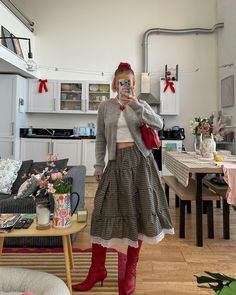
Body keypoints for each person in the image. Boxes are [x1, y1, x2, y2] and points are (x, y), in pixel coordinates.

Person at [72, 62, 174, 295]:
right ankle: (97, 269)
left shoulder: (140, 105)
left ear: (133, 85)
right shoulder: (105, 107)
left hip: (140, 164)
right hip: (115, 164)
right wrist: (98, 165)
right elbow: (100, 139)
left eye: (128, 82)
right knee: (100, 212)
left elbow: (159, 124)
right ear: (114, 84)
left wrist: (137, 105)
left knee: (137, 215)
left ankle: (130, 271)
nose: (124, 86)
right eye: (120, 82)